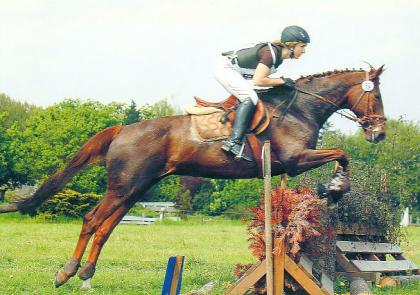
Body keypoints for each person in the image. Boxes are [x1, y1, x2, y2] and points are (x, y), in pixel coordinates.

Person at [213, 25, 310, 161]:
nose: (304, 51)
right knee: (250, 98)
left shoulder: (278, 56)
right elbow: (258, 80)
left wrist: (280, 82)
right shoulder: (271, 54)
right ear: (292, 46)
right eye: (302, 46)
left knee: (254, 97)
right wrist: (281, 81)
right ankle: (233, 142)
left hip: (234, 71)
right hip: (225, 69)